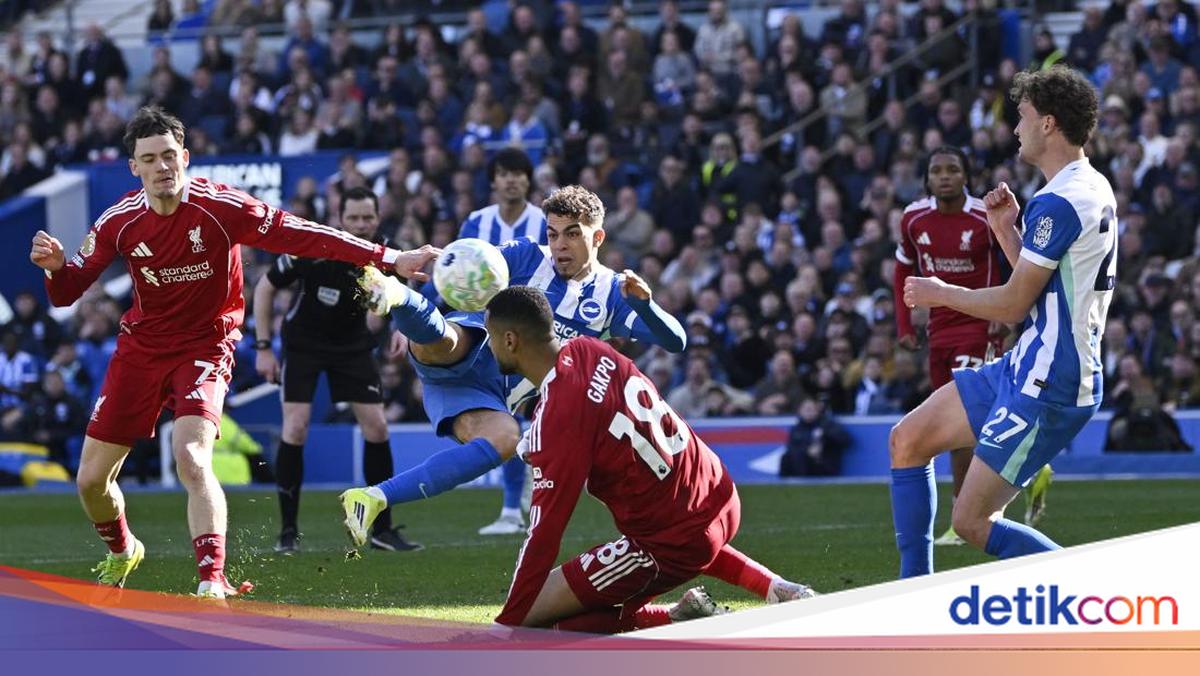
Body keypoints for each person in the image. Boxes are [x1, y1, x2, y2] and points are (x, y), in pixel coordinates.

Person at [28, 106, 436, 597]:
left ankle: (212, 579)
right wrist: (54, 267)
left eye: (170, 156)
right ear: (134, 167)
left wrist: (391, 258)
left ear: (186, 157)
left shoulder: (221, 207)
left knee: (191, 455)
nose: (162, 167)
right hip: (141, 350)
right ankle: (122, 550)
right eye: (149, 159)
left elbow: (305, 235)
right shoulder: (119, 223)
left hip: (206, 344)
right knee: (91, 482)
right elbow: (67, 291)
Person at [341, 185, 687, 540]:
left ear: (597, 236)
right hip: (470, 345)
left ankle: (373, 497)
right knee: (453, 339)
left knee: (505, 439)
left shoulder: (612, 294)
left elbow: (675, 341)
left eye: (572, 234)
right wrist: (417, 305)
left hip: (486, 397)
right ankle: (399, 297)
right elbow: (468, 268)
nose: (559, 245)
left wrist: (645, 304)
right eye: (553, 234)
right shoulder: (526, 255)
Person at [892, 66, 1116, 576]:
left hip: (1051, 380)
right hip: (1029, 363)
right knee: (908, 440)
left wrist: (940, 292)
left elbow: (1016, 305)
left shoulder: (1060, 201)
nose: (1015, 127)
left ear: (1049, 124)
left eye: (1023, 116)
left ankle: (1094, 594)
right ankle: (910, 596)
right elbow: (1045, 288)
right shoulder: (1088, 186)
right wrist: (1006, 231)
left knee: (972, 521)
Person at [486, 287, 813, 631]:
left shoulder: (560, 419)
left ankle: (673, 617)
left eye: (490, 337)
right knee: (686, 531)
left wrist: (506, 626)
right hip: (719, 495)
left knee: (534, 617)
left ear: (510, 341)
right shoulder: (590, 348)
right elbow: (591, 410)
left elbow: (544, 533)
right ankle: (775, 587)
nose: (488, 346)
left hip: (674, 541)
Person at [893, 145, 1053, 546]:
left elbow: (1011, 265)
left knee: (964, 425)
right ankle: (1031, 470)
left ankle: (962, 514)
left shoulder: (983, 217)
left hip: (981, 324)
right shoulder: (913, 218)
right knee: (958, 421)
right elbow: (903, 269)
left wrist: (1006, 310)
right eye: (936, 170)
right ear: (927, 179)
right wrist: (904, 322)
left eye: (952, 170)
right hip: (939, 329)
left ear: (965, 176)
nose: (944, 176)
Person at [253, 186, 420, 554]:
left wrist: (404, 332)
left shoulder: (388, 253)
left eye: (367, 218)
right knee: (295, 428)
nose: (361, 225)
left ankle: (382, 529)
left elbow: (408, 299)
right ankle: (288, 532)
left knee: (376, 427)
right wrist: (263, 348)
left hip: (352, 346)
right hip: (303, 345)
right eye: (353, 218)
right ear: (339, 220)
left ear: (378, 218)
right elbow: (265, 288)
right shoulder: (313, 245)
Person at [451, 148, 550, 536]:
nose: (512, 180)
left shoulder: (543, 223)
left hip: (540, 333)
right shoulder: (476, 222)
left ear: (528, 180)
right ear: (493, 180)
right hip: (491, 335)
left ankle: (528, 499)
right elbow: (456, 273)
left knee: (539, 419)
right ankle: (512, 509)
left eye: (519, 174)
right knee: (508, 417)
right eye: (504, 173)